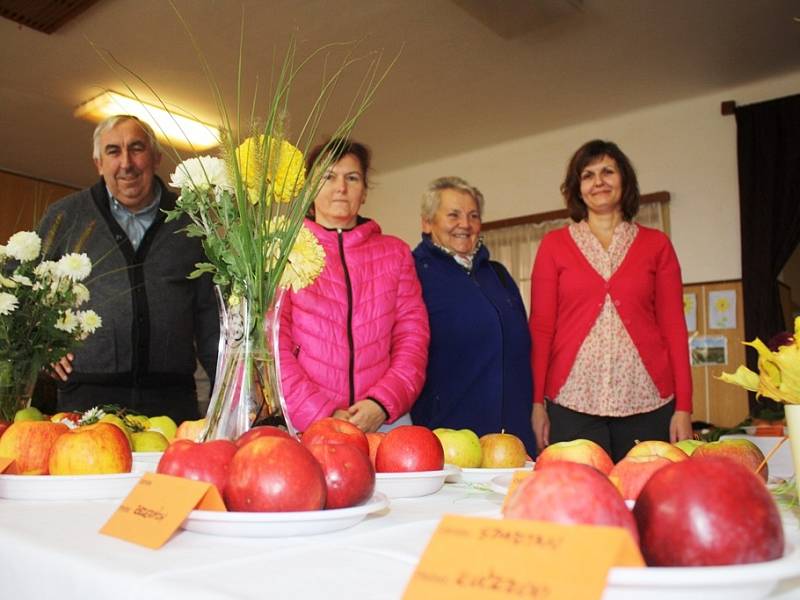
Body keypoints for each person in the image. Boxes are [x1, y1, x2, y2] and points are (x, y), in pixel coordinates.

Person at [38, 115, 218, 423]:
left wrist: (225, 395)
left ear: (156, 157)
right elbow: (23, 287)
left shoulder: (192, 222)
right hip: (85, 400)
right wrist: (43, 344)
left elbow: (212, 318)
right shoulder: (65, 217)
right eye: (113, 151)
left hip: (171, 404)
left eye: (136, 148)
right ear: (98, 163)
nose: (126, 163)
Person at [530, 139, 692, 462]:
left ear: (624, 180)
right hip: (571, 402)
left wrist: (684, 407)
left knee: (647, 502)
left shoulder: (656, 245)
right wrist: (536, 404)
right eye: (588, 175)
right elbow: (541, 329)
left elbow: (674, 328)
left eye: (608, 171)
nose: (599, 181)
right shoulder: (554, 246)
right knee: (580, 504)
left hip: (647, 401)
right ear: (578, 188)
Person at [278, 138, 429, 433]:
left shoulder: (395, 253)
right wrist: (321, 413)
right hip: (305, 420)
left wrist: (381, 403)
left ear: (365, 192)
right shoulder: (282, 251)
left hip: (384, 420)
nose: (341, 187)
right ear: (309, 188)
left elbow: (413, 338)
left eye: (352, 178)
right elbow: (274, 347)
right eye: (328, 177)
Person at [410, 177, 537, 455]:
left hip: (514, 435)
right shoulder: (411, 275)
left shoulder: (498, 275)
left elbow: (523, 350)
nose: (465, 224)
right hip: (450, 438)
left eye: (473, 215)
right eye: (453, 215)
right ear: (427, 223)